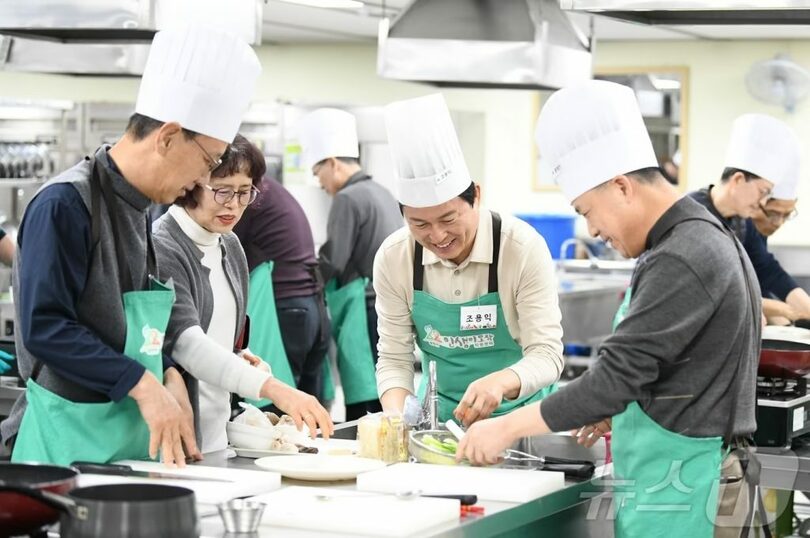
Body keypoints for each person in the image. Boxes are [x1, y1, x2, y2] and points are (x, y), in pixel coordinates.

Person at [458, 80, 760, 537]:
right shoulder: (699, 237)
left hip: (691, 485)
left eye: (586, 211)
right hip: (681, 476)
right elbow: (680, 368)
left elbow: (614, 379)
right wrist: (617, 407)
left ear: (621, 187)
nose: (593, 230)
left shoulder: (682, 255)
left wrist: (504, 428)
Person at [0, 25, 261, 466]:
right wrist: (142, 384)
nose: (203, 179)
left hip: (121, 440)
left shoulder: (140, 209)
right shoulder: (64, 204)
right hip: (63, 440)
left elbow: (136, 330)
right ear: (167, 137)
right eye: (207, 161)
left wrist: (170, 373)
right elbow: (46, 328)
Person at [375, 93, 564, 426]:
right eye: (420, 224)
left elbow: (547, 354)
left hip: (520, 420)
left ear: (476, 195)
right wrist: (398, 418)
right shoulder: (395, 257)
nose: (437, 236)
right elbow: (394, 358)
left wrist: (500, 383)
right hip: (439, 422)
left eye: (448, 219)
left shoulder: (521, 248)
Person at [153, 135, 333, 453]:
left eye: (244, 191)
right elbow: (185, 343)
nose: (234, 205)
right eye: (222, 191)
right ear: (190, 183)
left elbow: (222, 336)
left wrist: (242, 357)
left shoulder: (230, 244)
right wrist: (273, 388)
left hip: (216, 436)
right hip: (175, 436)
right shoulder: (163, 246)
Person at [297, 108, 402, 420]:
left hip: (363, 309)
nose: (319, 182)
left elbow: (334, 260)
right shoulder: (382, 192)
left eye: (318, 172)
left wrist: (302, 277)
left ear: (332, 163)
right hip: (389, 307)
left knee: (364, 401)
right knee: (387, 392)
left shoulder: (348, 198)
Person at [689, 113, 808, 323]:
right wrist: (783, 310)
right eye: (763, 192)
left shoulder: (741, 219)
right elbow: (714, 288)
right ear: (738, 180)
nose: (762, 202)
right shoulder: (693, 215)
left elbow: (766, 269)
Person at [233, 173, 330, 403]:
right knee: (304, 405)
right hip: (312, 307)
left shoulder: (249, 196)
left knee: (279, 407)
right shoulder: (270, 190)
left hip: (286, 308)